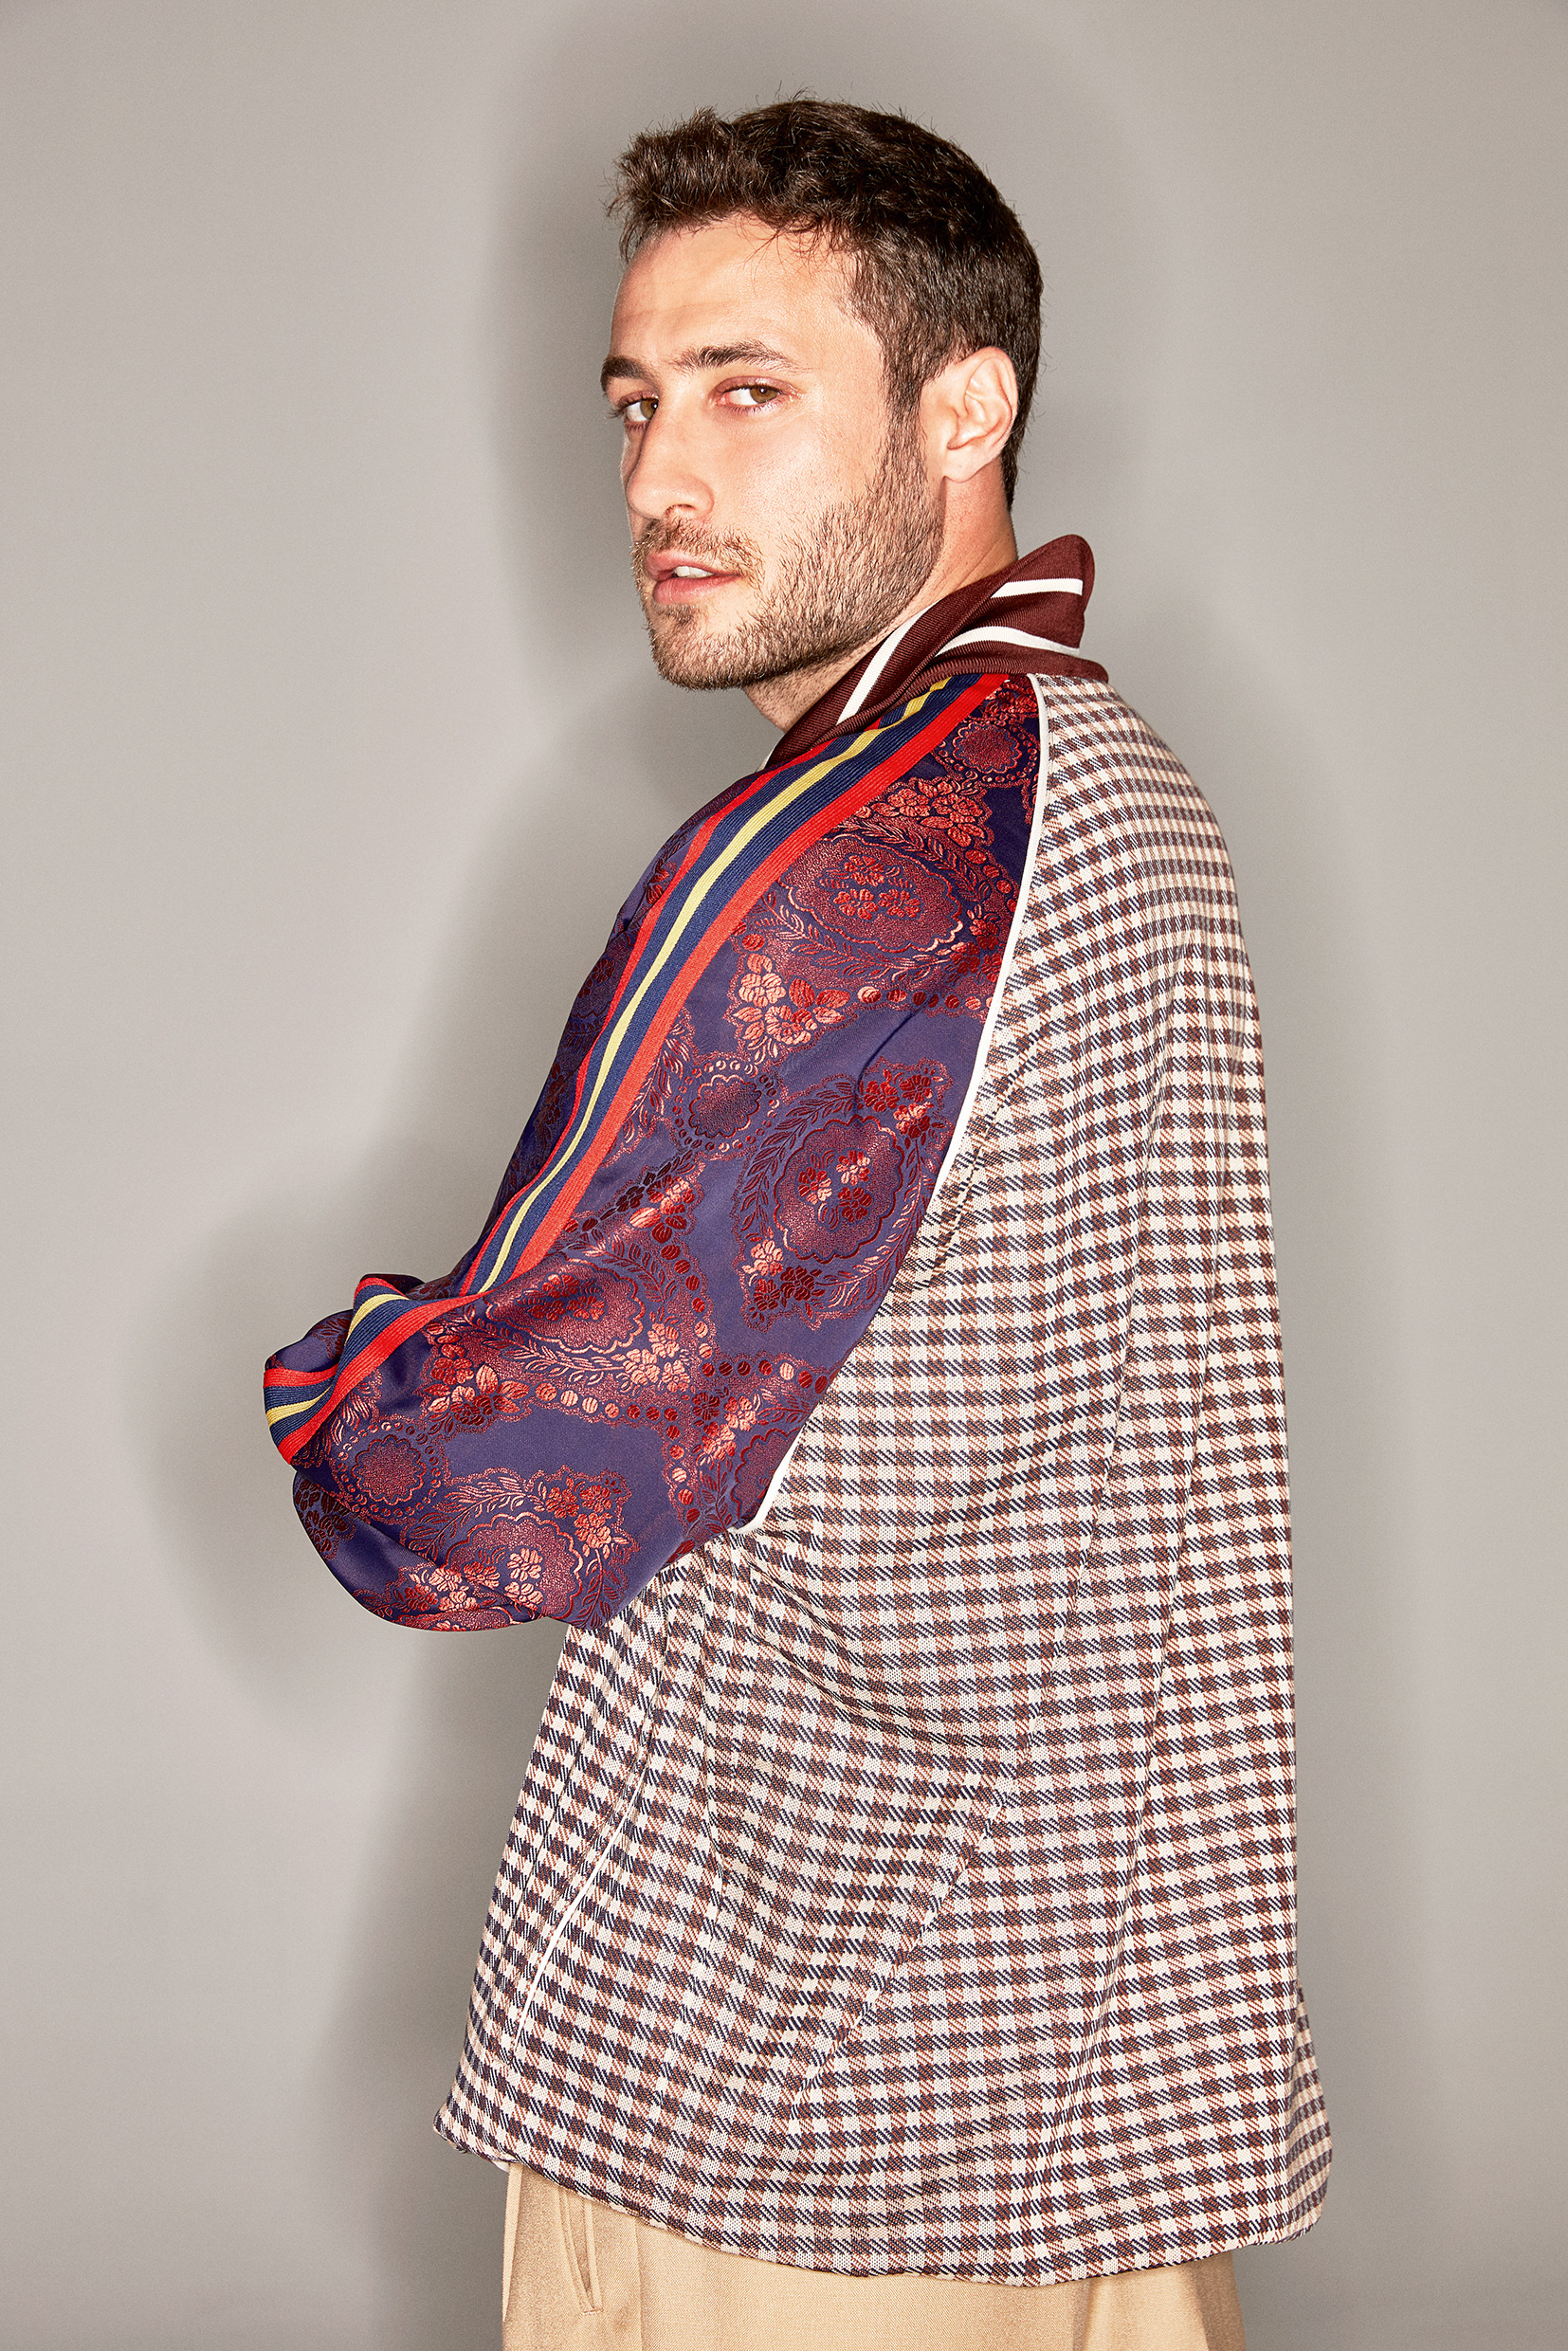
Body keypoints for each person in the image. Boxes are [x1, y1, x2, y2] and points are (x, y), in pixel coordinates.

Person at [264, 99, 1330, 2350]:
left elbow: (460, 1490)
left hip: (790, 2085)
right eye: (634, 404)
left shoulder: (868, 845)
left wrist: (344, 1375)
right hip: (1087, 2065)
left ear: (965, 407)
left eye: (747, 391)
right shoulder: (1123, 785)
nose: (662, 476)